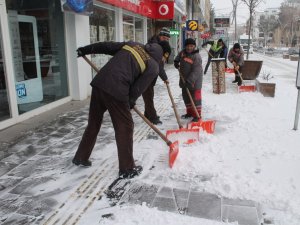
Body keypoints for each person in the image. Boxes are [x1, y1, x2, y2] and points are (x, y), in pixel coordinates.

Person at [72, 40, 171, 179]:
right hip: (117, 90)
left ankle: (81, 157)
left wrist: (85, 49)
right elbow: (138, 88)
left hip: (99, 84)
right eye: (165, 59)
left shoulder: (133, 45)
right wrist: (130, 101)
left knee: (94, 123)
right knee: (125, 127)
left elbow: (106, 46)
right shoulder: (154, 66)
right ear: (163, 55)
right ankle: (127, 168)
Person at [142, 27, 171, 125]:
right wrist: (165, 78)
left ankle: (147, 114)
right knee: (149, 96)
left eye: (167, 39)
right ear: (160, 36)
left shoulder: (161, 46)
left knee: (149, 96)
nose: (165, 40)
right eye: (164, 37)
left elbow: (161, 62)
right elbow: (158, 64)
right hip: (145, 75)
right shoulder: (154, 46)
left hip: (151, 75)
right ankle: (153, 117)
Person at [174, 38, 203, 122]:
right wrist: (176, 61)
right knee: (186, 97)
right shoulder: (183, 52)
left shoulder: (196, 56)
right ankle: (189, 112)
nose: (189, 48)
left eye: (191, 46)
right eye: (187, 46)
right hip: (184, 80)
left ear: (194, 46)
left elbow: (196, 70)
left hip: (194, 81)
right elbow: (179, 56)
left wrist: (189, 80)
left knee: (195, 98)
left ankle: (197, 115)